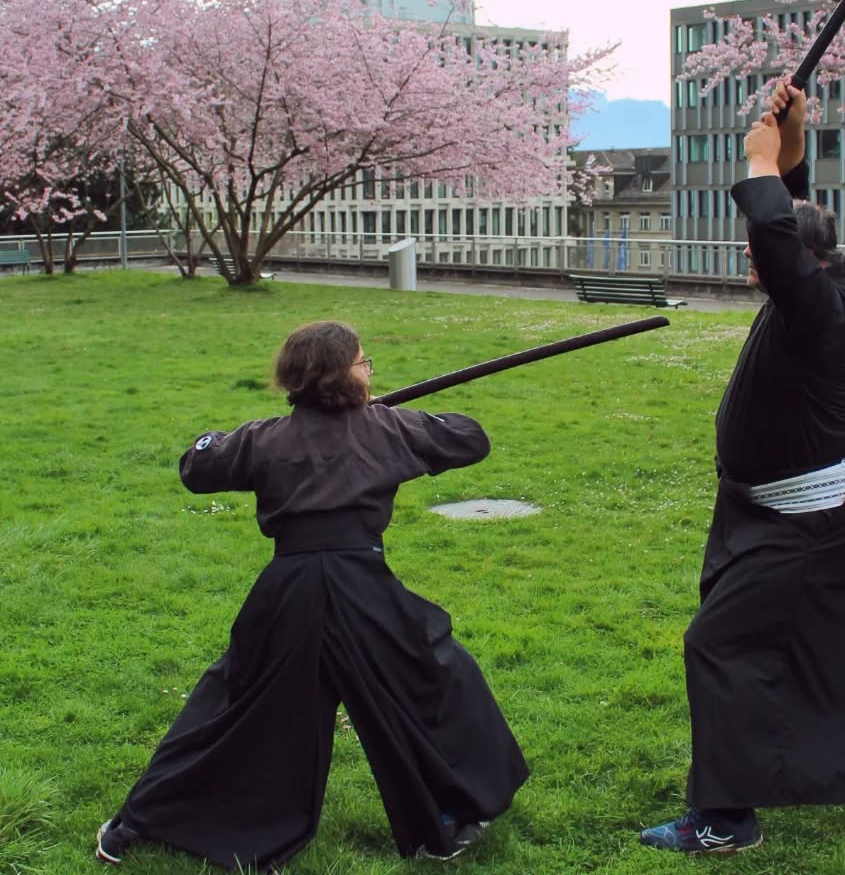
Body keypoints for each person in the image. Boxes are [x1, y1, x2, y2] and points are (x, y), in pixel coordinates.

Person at [95, 320, 528, 869]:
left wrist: (222, 437)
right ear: (343, 376)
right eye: (363, 362)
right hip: (363, 590)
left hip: (289, 590)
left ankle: (137, 824)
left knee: (235, 703)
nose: (369, 370)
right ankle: (451, 815)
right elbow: (468, 436)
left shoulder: (264, 439)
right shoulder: (390, 429)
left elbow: (196, 464)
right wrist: (394, 420)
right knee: (434, 679)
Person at [639, 82, 845, 855]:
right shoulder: (818, 287)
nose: (750, 254)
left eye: (761, 250)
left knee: (717, 644)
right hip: (805, 506)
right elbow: (790, 225)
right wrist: (793, 142)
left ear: (802, 260)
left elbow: (777, 231)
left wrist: (760, 158)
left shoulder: (820, 310)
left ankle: (724, 820)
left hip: (803, 513)